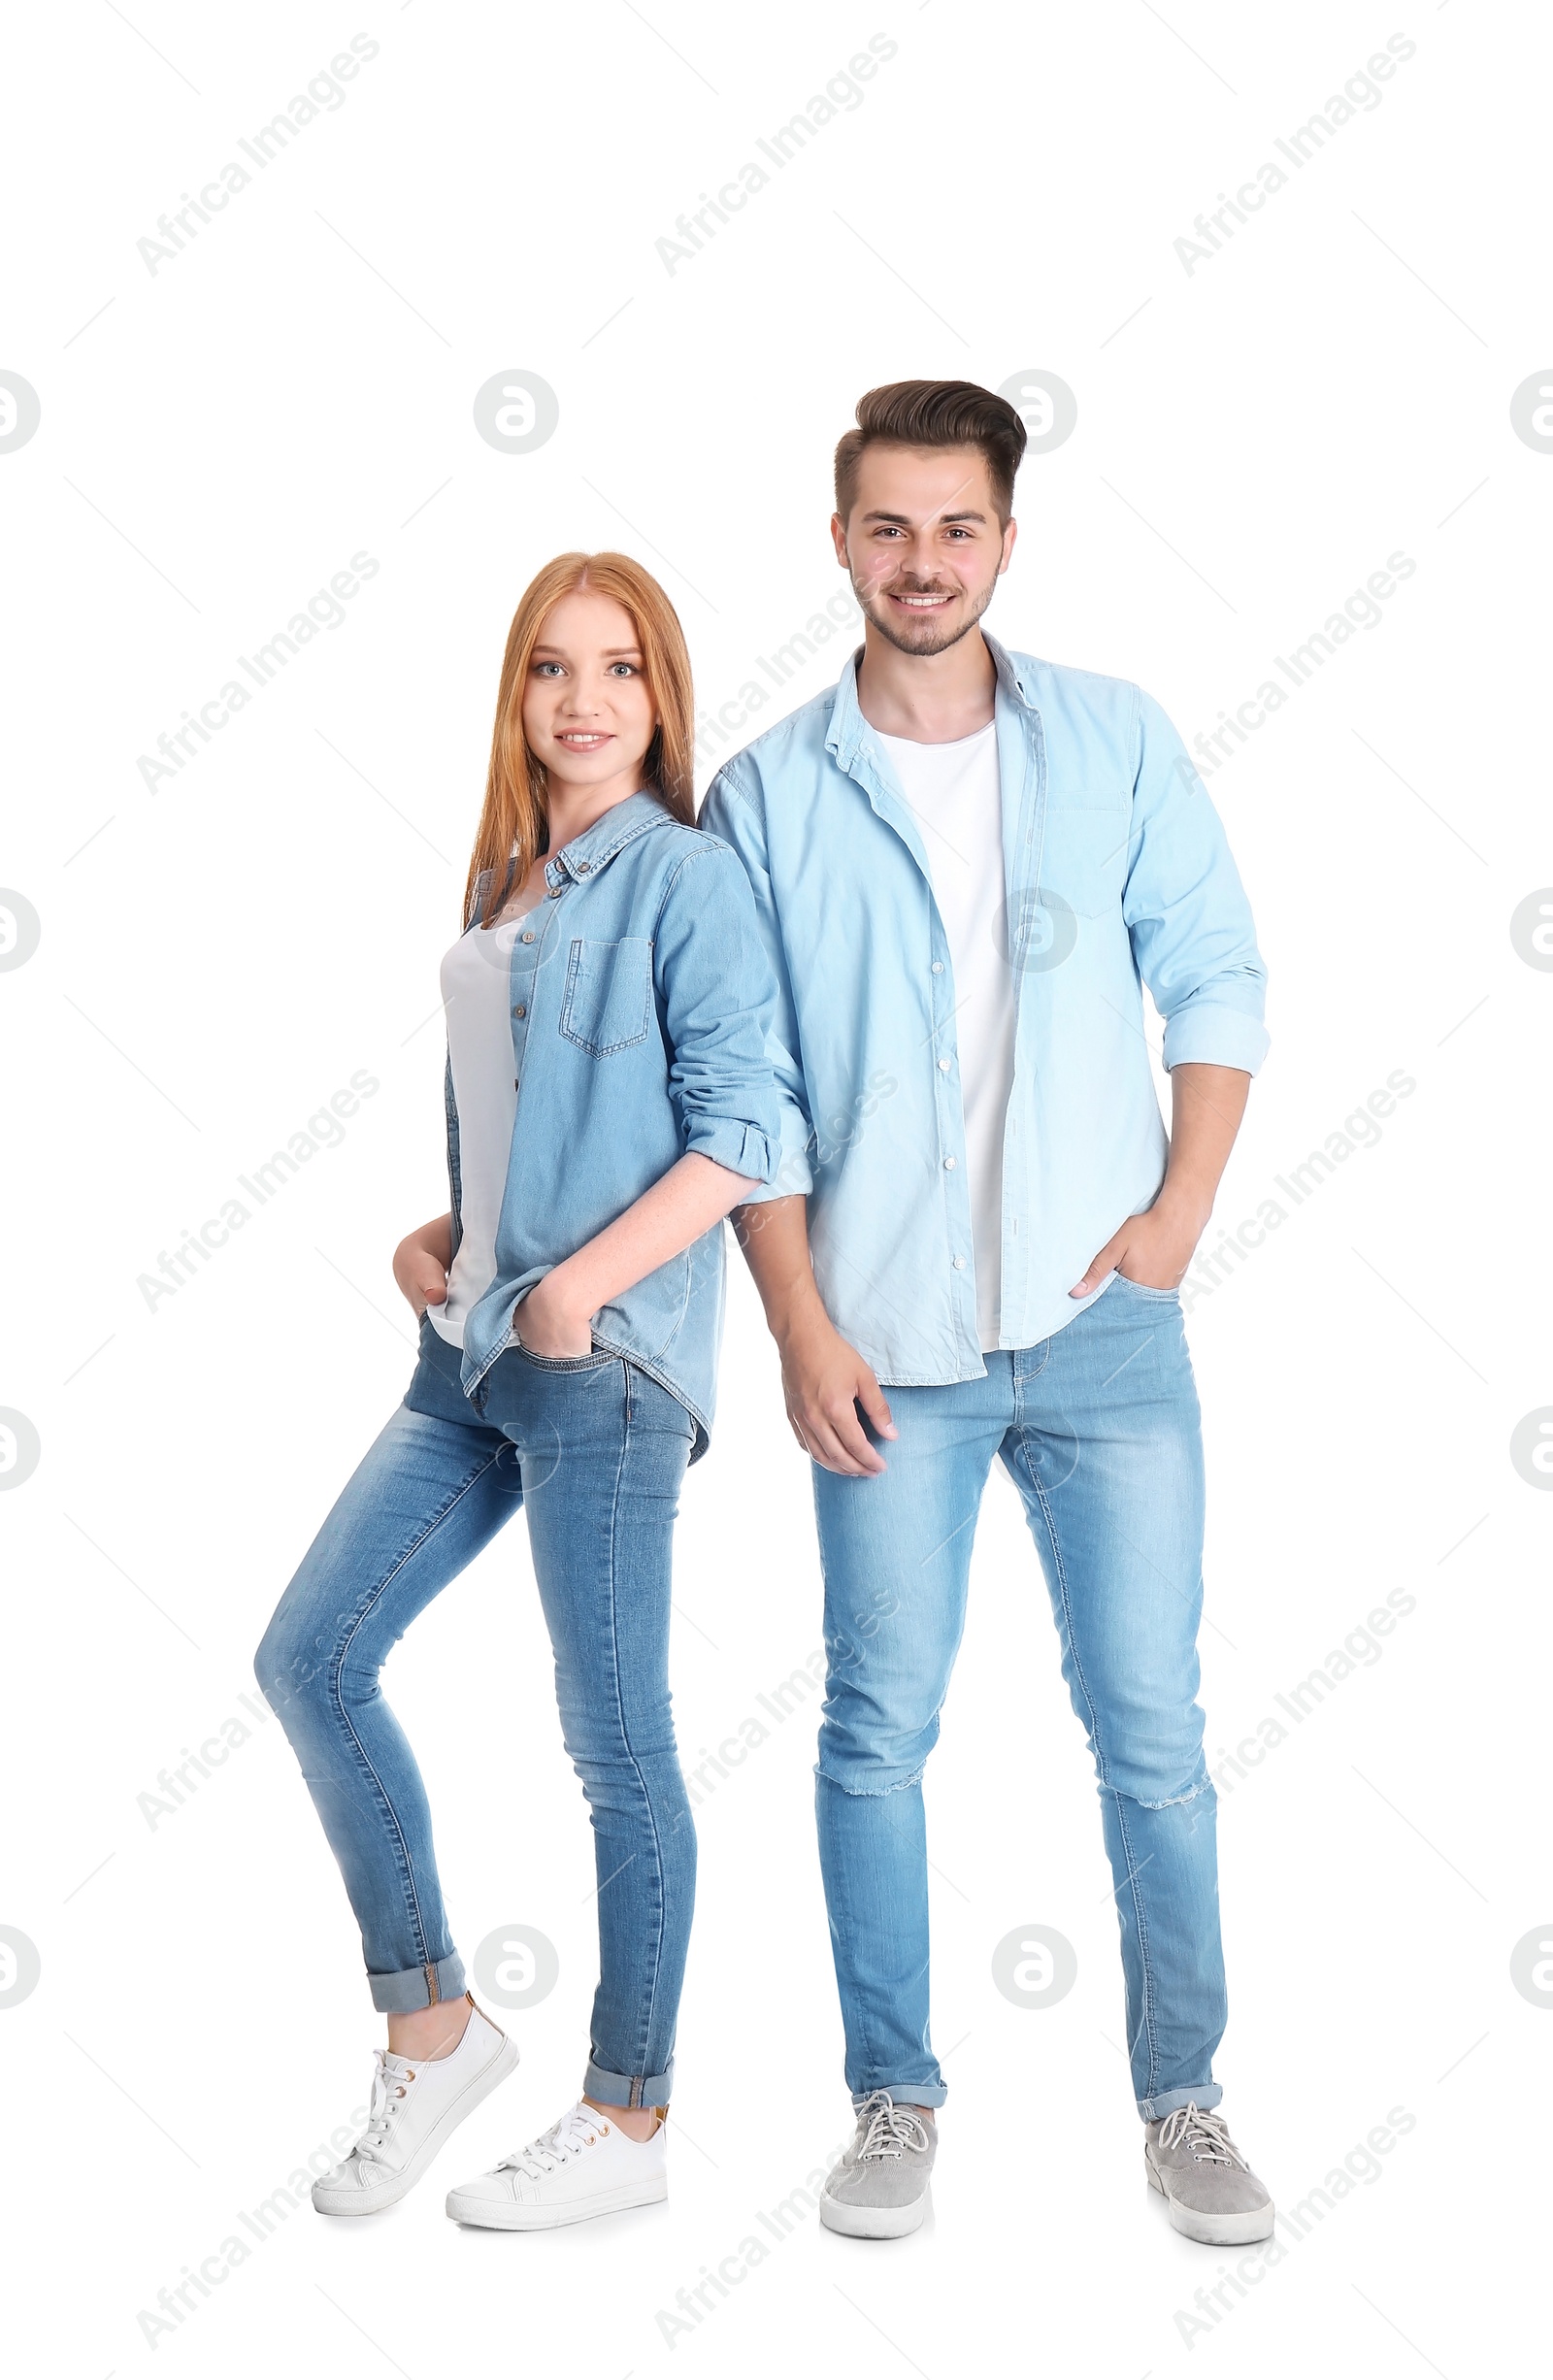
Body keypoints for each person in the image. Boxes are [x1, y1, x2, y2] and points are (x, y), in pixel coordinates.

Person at [703, 380, 1275, 2245]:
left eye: (958, 528)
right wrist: (796, 1323)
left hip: (1104, 1331)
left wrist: (1182, 1209)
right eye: (889, 527)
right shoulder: (770, 795)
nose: (923, 562)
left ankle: (1182, 2101)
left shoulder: (1113, 742)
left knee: (1155, 1733)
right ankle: (892, 2100)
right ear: (841, 540)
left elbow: (1216, 969)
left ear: (1007, 542)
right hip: (883, 1343)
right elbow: (751, 1090)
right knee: (876, 1727)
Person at [256, 551, 779, 2230]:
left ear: (662, 695)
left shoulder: (683, 881)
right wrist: (451, 1237)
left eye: (619, 669)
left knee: (619, 1754)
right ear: (518, 694)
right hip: (471, 1349)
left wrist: (574, 1286)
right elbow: (517, 1118)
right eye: (553, 668)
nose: (583, 700)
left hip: (601, 1365)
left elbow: (750, 1135)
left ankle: (627, 2126)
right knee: (309, 1659)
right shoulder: (508, 884)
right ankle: (434, 2023)